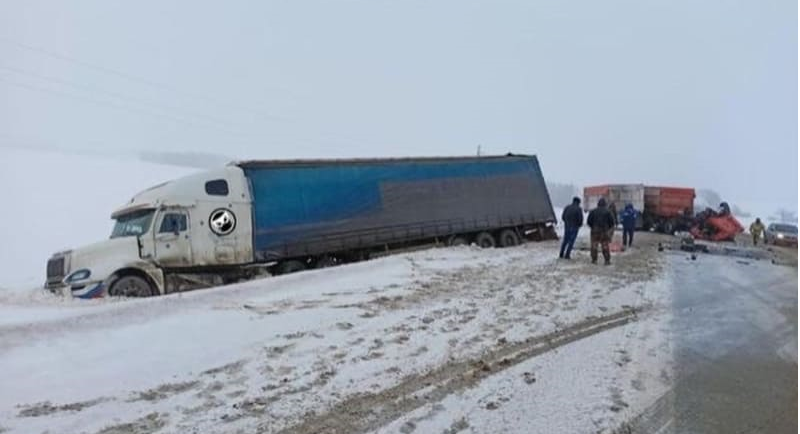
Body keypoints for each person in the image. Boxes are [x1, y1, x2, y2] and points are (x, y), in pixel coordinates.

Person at [587, 198, 616, 265]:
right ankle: (607, 260)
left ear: (598, 204)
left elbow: (589, 221)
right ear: (605, 204)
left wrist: (593, 227)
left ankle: (594, 260)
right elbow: (612, 222)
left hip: (595, 231)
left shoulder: (593, 211)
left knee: (594, 246)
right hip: (604, 231)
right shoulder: (608, 212)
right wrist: (608, 229)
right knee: (605, 246)